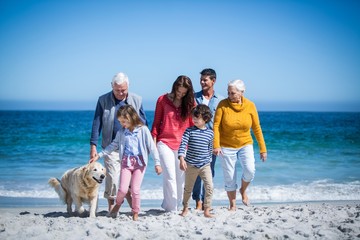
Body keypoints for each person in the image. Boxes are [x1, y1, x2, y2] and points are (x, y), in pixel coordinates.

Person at [89, 105, 162, 221]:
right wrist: (99, 155)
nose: (122, 124)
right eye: (120, 122)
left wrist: (157, 164)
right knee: (122, 189)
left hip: (140, 164)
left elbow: (152, 148)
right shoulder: (122, 132)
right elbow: (113, 145)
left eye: (124, 121)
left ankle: (135, 212)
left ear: (131, 117)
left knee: (135, 189)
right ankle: (118, 204)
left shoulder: (143, 130)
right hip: (126, 163)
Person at [90, 72, 147, 212]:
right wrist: (93, 146)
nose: (121, 93)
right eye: (117, 90)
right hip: (111, 146)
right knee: (113, 179)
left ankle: (131, 208)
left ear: (128, 86)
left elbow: (144, 123)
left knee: (128, 183)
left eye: (123, 90)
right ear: (112, 86)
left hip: (131, 150)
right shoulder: (103, 100)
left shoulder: (137, 99)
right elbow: (97, 123)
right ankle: (111, 208)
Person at [213, 79, 267, 210]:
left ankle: (243, 190)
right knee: (230, 177)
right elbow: (216, 126)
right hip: (226, 145)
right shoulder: (222, 104)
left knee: (250, 171)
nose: (229, 96)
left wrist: (262, 148)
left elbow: (256, 128)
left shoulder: (250, 106)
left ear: (241, 92)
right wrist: (216, 145)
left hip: (245, 143)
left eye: (232, 93)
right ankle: (232, 204)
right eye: (228, 93)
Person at [151, 75, 195, 212]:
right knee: (170, 176)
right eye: (179, 91)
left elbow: (193, 127)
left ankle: (172, 204)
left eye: (184, 93)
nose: (181, 95)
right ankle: (172, 209)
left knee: (180, 179)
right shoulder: (162, 100)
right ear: (174, 87)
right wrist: (153, 145)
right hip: (164, 143)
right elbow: (156, 124)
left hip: (183, 145)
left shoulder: (191, 104)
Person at [192, 68, 224, 210]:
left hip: (212, 141)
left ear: (213, 81)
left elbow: (223, 123)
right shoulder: (193, 97)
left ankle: (206, 201)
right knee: (196, 171)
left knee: (209, 171)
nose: (202, 82)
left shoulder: (221, 100)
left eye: (205, 80)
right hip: (195, 139)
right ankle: (197, 200)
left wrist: (220, 143)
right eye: (201, 79)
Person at [178, 104, 214, 218]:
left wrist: (208, 160)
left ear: (206, 119)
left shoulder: (210, 133)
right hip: (191, 165)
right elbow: (183, 144)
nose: (194, 120)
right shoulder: (189, 131)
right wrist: (181, 158)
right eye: (193, 117)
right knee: (188, 188)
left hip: (205, 165)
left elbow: (210, 148)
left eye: (197, 118)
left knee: (209, 187)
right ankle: (185, 208)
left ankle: (207, 210)